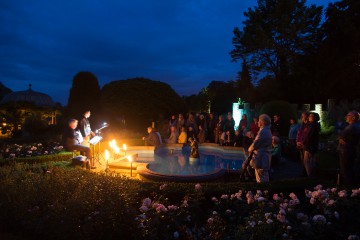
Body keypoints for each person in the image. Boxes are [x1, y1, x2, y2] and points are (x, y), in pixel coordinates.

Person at [242, 114, 272, 183]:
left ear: (263, 122)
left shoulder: (263, 131)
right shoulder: (266, 130)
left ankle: (262, 192)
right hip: (262, 157)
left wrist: (249, 149)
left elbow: (255, 144)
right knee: (261, 176)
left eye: (259, 121)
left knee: (261, 178)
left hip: (261, 158)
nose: (258, 122)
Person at [338, 111, 360, 185]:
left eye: (348, 115)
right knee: (351, 169)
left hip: (346, 151)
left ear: (353, 118)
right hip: (352, 150)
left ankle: (347, 187)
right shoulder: (357, 126)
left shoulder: (351, 127)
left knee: (345, 170)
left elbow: (341, 137)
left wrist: (341, 139)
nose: (346, 117)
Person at [303, 112, 320, 177]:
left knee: (307, 161)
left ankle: (310, 176)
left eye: (310, 116)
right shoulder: (314, 125)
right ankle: (312, 175)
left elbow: (308, 136)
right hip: (312, 146)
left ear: (314, 118)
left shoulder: (312, 126)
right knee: (311, 161)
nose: (309, 117)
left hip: (310, 146)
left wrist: (303, 142)